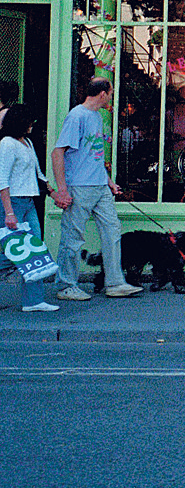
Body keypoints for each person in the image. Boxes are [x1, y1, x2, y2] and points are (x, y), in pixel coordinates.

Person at [51, 77, 142, 300]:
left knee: (112, 231)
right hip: (79, 186)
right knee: (73, 237)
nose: (111, 96)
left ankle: (115, 282)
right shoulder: (76, 116)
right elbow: (58, 152)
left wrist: (108, 181)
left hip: (99, 186)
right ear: (102, 93)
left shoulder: (97, 117)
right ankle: (66, 285)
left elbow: (95, 154)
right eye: (111, 92)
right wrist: (62, 189)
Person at [1, 104, 58, 312]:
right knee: (9, 252)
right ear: (20, 122)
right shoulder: (7, 144)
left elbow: (38, 174)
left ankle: (33, 301)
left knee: (34, 251)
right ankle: (33, 300)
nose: (32, 125)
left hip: (29, 202)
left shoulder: (27, 143)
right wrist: (8, 212)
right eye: (29, 121)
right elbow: (2, 180)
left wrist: (52, 192)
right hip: (13, 203)